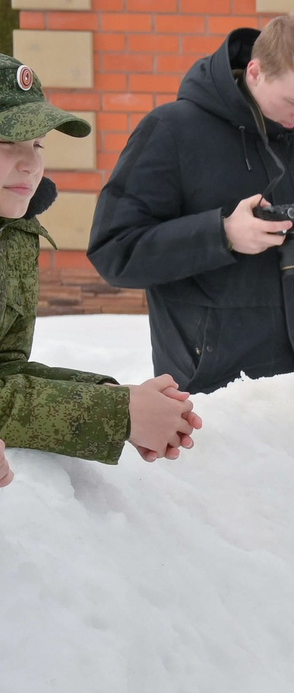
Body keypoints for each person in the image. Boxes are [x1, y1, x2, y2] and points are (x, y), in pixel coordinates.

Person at [87, 15, 294, 394]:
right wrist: (221, 234)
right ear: (255, 72)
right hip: (217, 393)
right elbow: (114, 252)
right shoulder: (172, 131)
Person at [0, 54, 203, 485]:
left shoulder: (14, 232)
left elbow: (5, 372)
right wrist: (118, 415)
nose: (31, 164)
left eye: (38, 144)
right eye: (9, 142)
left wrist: (115, 399)